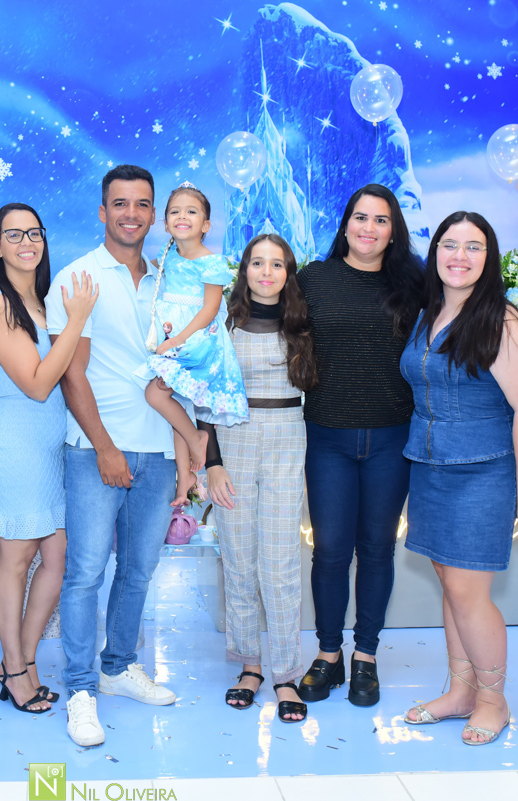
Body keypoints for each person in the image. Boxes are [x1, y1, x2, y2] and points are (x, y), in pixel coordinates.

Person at [400, 211, 518, 745]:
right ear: (435, 252)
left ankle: (492, 700)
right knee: (451, 584)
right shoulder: (429, 312)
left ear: (489, 257)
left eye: (473, 247)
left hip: (483, 473)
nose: (459, 256)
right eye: (450, 245)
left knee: (469, 591)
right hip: (429, 467)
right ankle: (461, 691)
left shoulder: (501, 321)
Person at [46, 165, 178, 747]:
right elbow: (71, 375)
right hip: (97, 450)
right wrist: (104, 447)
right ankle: (80, 689)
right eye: (119, 203)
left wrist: (187, 452)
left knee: (139, 570)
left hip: (160, 450)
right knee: (86, 573)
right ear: (103, 211)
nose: (131, 214)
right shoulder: (79, 278)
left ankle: (118, 666)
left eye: (142, 204)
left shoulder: (171, 280)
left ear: (153, 214)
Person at [296, 184, 424, 708]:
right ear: (345, 223)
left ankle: (365, 656)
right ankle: (328, 654)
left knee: (376, 549)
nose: (369, 228)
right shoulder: (312, 279)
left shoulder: (415, 284)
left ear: (394, 231)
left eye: (381, 220)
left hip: (393, 440)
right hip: (327, 438)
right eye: (360, 217)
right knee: (329, 550)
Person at [0, 203, 97, 713]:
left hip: (51, 443)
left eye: (34, 233)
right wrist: (79, 319)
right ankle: (15, 668)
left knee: (56, 557)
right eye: (14, 234)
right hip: (14, 441)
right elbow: (38, 383)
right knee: (17, 556)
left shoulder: (43, 301)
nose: (27, 242)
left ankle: (20, 661)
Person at [199, 234, 317, 723]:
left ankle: (285, 673)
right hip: (233, 442)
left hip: (288, 439)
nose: (266, 272)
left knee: (281, 562)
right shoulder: (221, 323)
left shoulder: (304, 324)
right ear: (244, 269)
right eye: (257, 263)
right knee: (239, 557)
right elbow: (203, 397)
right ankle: (250, 666)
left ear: (289, 272)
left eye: (277, 264)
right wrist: (212, 462)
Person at [138, 183, 248, 506]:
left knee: (155, 393)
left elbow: (210, 309)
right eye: (175, 211)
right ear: (165, 222)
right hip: (174, 334)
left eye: (191, 211)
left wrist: (179, 339)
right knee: (178, 404)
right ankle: (185, 475)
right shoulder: (168, 256)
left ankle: (198, 439)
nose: (182, 216)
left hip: (197, 339)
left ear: (206, 225)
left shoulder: (211, 262)